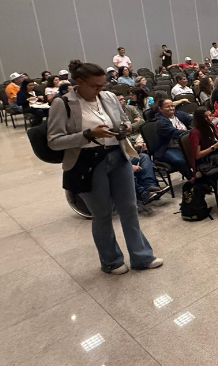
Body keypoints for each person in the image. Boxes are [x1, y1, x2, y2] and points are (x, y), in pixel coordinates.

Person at [47, 60, 161, 274]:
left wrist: (125, 127)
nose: (100, 90)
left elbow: (121, 121)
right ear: (78, 82)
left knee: (129, 209)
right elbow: (54, 140)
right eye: (95, 86)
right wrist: (88, 135)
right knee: (102, 214)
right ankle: (111, 261)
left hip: (117, 155)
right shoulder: (62, 104)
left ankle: (142, 257)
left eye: (103, 85)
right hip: (88, 161)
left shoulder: (108, 97)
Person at [154, 98, 193, 175]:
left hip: (184, 144)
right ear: (160, 109)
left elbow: (191, 119)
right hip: (168, 148)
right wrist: (191, 132)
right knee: (180, 160)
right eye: (168, 106)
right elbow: (175, 133)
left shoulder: (179, 114)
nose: (171, 108)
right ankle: (192, 179)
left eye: (172, 106)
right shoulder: (161, 122)